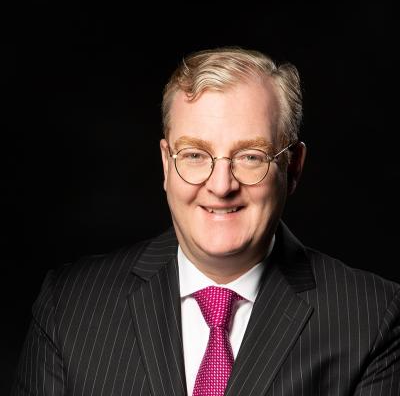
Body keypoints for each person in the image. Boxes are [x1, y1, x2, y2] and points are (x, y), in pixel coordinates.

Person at [13, 47, 400, 396]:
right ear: (166, 164)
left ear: (293, 167)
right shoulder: (68, 306)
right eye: (195, 155)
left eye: (250, 156)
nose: (221, 186)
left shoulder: (372, 318)